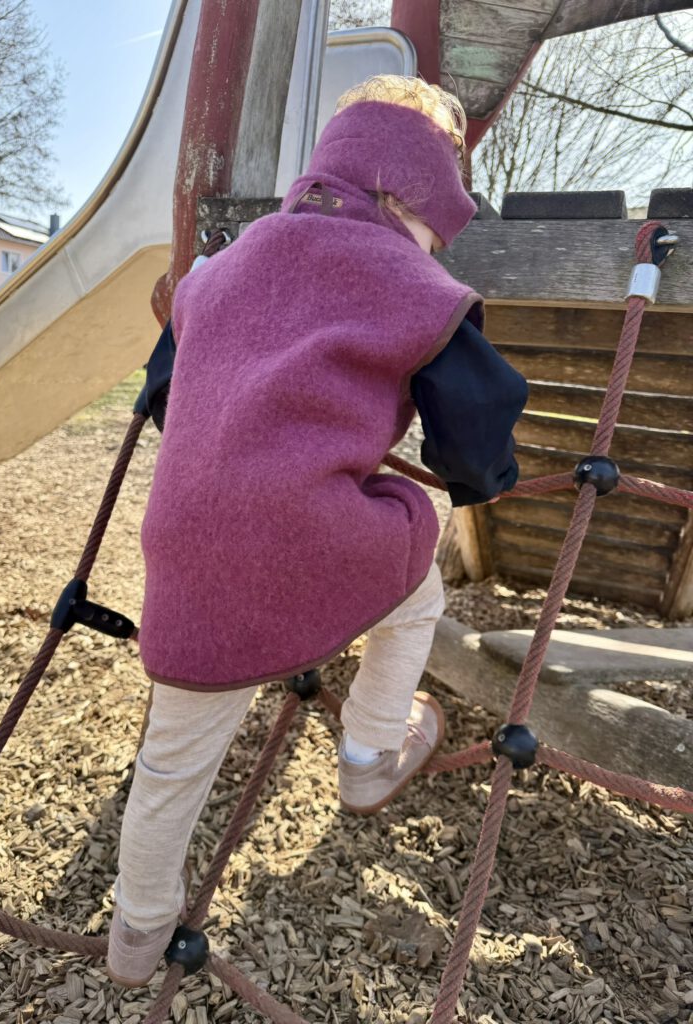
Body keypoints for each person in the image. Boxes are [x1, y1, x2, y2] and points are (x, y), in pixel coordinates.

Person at [107, 75, 528, 986]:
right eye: (436, 221)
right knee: (416, 580)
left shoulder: (222, 269)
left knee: (171, 759)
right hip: (312, 537)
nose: (434, 242)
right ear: (406, 192)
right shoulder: (413, 280)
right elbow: (476, 421)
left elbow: (160, 390)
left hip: (182, 549)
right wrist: (477, 483)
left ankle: (135, 937)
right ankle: (372, 751)